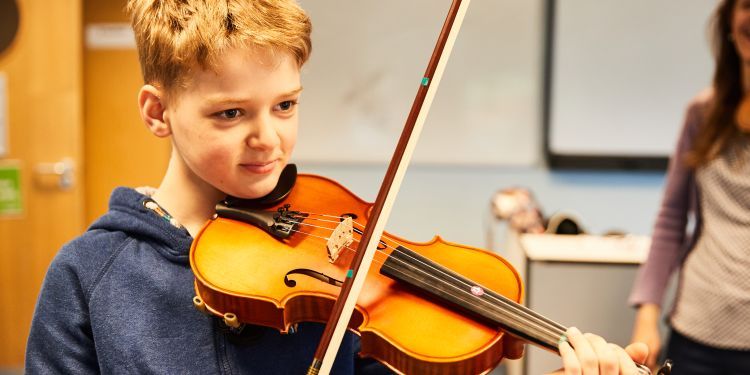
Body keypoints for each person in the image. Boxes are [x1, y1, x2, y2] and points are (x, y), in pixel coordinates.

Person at [25, 0, 648, 373]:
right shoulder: (89, 275)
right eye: (230, 114)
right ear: (158, 113)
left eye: (286, 105)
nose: (268, 137)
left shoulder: (334, 262)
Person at [629, 0, 750, 372]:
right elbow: (671, 219)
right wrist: (647, 315)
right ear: (730, 21)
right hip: (697, 330)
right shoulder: (702, 113)